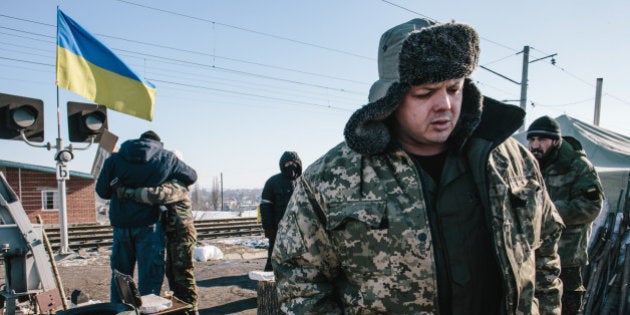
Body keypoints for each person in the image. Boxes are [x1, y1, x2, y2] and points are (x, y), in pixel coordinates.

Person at [272, 19, 565, 314]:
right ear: (389, 99)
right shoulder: (331, 177)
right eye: (425, 93)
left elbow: (545, 254)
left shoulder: (512, 161)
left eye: (454, 88)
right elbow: (299, 283)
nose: (446, 105)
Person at [95, 130, 197, 303]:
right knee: (149, 280)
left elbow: (102, 191)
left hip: (121, 226)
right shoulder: (166, 158)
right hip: (149, 226)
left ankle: (121, 312)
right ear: (158, 143)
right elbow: (191, 176)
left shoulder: (115, 159)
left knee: (121, 277)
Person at [527, 115, 603, 313]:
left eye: (541, 140)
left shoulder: (578, 166)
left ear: (555, 141)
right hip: (533, 255)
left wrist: (548, 211)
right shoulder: (529, 165)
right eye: (532, 139)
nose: (535, 145)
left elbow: (591, 206)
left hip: (566, 256)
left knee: (567, 306)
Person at [117, 177, 199, 314]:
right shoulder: (170, 183)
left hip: (183, 235)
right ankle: (183, 309)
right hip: (174, 236)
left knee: (183, 275)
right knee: (173, 274)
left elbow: (156, 195)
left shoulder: (176, 186)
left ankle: (192, 310)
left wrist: (127, 191)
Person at [259, 151, 302, 271]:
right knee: (274, 258)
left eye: (294, 163)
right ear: (282, 165)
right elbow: (265, 206)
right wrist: (268, 227)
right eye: (287, 163)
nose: (291, 165)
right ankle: (270, 279)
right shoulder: (273, 182)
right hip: (278, 228)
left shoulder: (303, 182)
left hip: (299, 228)